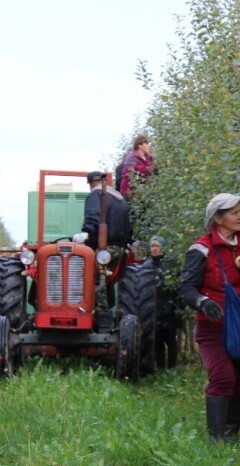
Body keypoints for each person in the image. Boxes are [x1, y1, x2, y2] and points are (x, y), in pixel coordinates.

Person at [179, 193, 240, 444]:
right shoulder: (201, 249)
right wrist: (203, 301)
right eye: (234, 212)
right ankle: (217, 441)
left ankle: (231, 436)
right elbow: (186, 288)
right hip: (214, 327)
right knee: (222, 376)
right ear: (218, 219)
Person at [74, 171, 133, 314]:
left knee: (85, 274)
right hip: (118, 249)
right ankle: (107, 305)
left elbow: (93, 215)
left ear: (91, 184)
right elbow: (129, 227)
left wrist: (86, 232)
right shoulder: (120, 199)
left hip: (105, 248)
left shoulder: (96, 195)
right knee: (104, 276)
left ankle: (100, 313)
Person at [144, 235, 182, 369]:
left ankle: (172, 368)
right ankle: (160, 369)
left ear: (163, 248)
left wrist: (178, 308)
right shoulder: (146, 266)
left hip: (169, 310)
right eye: (152, 246)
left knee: (171, 342)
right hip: (154, 311)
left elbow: (178, 288)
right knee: (157, 342)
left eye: (157, 246)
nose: (154, 249)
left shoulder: (170, 266)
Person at [117, 134, 155, 200]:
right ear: (140, 145)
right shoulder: (131, 157)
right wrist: (150, 169)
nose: (149, 146)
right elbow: (135, 169)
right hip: (130, 193)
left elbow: (154, 168)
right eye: (146, 144)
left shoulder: (149, 157)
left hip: (143, 192)